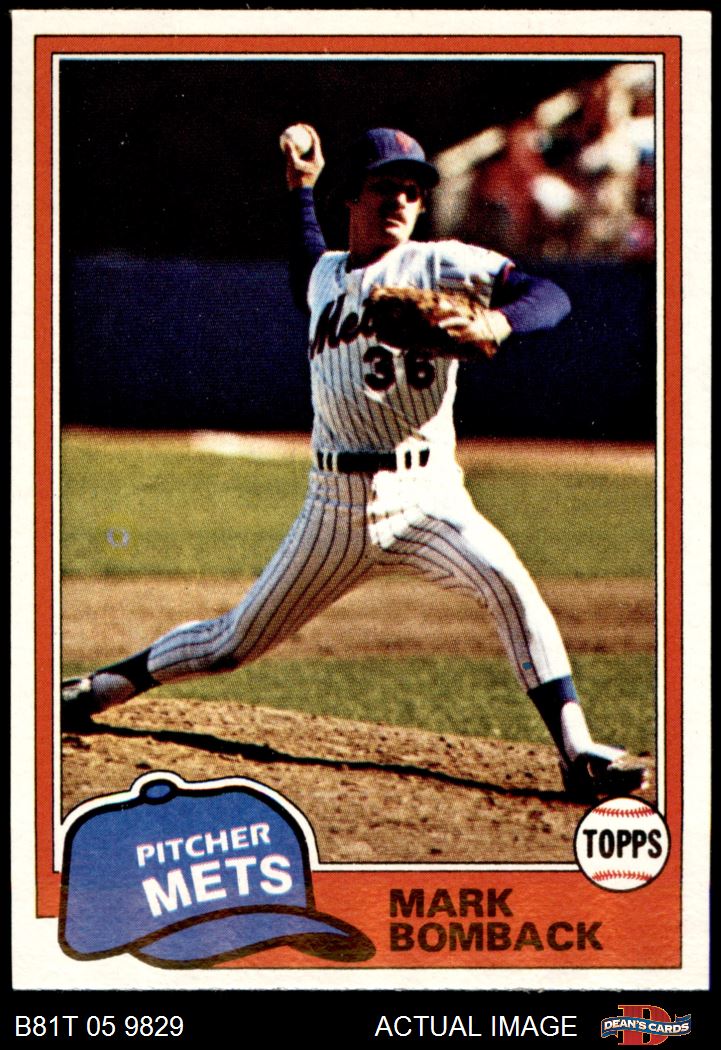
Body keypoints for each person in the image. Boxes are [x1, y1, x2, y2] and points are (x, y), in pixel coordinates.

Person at [63, 126, 647, 803]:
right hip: (334, 507)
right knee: (231, 643)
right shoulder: (324, 276)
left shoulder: (443, 262)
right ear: (353, 199)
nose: (400, 200)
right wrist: (300, 189)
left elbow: (549, 296)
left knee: (509, 584)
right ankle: (101, 688)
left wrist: (497, 323)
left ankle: (577, 751)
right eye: (383, 188)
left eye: (412, 190)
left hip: (429, 495)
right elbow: (305, 262)